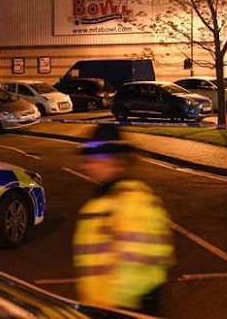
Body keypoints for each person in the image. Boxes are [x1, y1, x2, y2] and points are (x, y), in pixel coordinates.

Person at [72, 125, 174, 316]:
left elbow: (136, 274)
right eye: (87, 160)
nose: (87, 166)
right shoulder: (102, 203)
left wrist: (107, 311)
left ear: (117, 163)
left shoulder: (134, 202)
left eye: (96, 160)